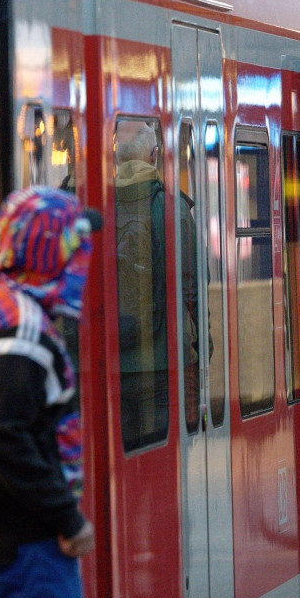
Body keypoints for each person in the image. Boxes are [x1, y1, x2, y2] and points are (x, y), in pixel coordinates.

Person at [0, 187, 99, 598]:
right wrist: (66, 516)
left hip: (6, 544)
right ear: (50, 254)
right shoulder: (19, 333)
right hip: (25, 552)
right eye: (74, 247)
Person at [114, 120, 169, 450]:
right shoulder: (168, 207)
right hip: (159, 363)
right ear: (154, 155)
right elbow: (191, 287)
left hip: (112, 362)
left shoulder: (99, 207)